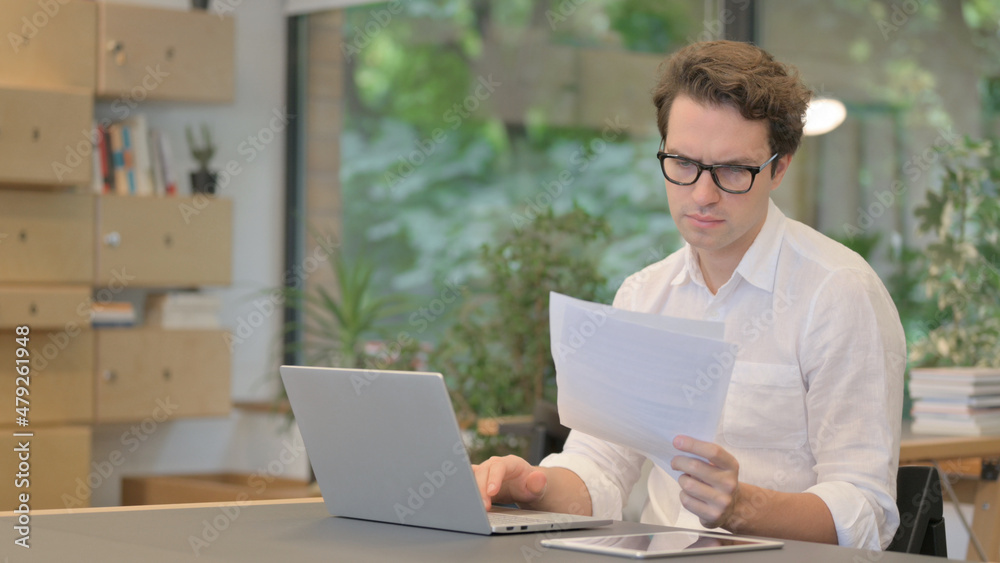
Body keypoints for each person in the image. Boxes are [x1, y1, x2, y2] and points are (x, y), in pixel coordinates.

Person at [472, 40, 905, 551]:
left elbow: (867, 511)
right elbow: (602, 472)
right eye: (682, 163)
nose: (702, 195)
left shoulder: (837, 293)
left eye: (732, 171)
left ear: (779, 167)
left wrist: (742, 506)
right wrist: (530, 486)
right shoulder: (644, 294)